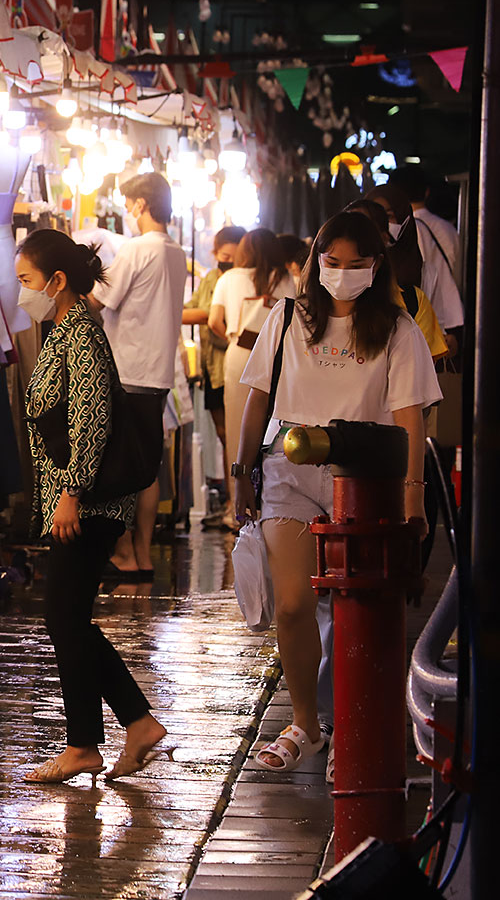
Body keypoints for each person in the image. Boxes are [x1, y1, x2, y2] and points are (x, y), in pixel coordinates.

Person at [230, 210, 440, 773]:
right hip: (289, 467)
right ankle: (305, 722)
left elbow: (410, 421)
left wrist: (413, 499)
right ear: (315, 261)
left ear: (376, 268)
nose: (343, 274)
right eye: (332, 262)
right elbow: (256, 398)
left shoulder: (398, 330)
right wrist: (240, 471)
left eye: (357, 265)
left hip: (366, 478)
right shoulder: (286, 319)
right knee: (295, 603)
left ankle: (352, 723)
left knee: (358, 610)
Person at [16, 229, 167, 783]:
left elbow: (91, 419)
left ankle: (92, 741)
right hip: (78, 498)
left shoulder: (80, 335)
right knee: (68, 618)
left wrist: (71, 493)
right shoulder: (65, 330)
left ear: (57, 282)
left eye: (28, 282)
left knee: (64, 617)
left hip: (87, 501)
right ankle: (128, 725)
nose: (22, 294)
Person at [90, 172, 188, 579]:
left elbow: (99, 300)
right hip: (158, 373)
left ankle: (125, 551)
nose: (128, 212)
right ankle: (144, 555)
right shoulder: (176, 252)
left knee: (117, 467)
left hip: (127, 371)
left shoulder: (136, 249)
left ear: (141, 205)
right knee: (146, 469)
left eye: (129, 205)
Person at [210, 227, 293, 530]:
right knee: (274, 426)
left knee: (237, 428)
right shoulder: (286, 279)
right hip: (277, 358)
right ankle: (274, 501)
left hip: (240, 356)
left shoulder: (228, 278)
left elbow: (213, 321)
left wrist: (234, 336)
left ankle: (238, 508)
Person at [182, 226, 244, 528]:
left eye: (233, 256)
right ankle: (232, 502)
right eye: (223, 256)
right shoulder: (211, 278)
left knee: (234, 436)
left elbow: (208, 316)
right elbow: (192, 309)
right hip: (212, 369)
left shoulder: (239, 281)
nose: (228, 262)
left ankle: (239, 503)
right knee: (223, 435)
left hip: (231, 368)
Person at [346, 199, 448, 359]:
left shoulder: (412, 300)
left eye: (363, 230)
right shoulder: (317, 299)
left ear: (384, 237)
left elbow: (421, 366)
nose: (351, 239)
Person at [369, 185, 462, 344]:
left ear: (404, 218)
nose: (380, 225)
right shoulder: (349, 270)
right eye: (373, 216)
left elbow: (437, 327)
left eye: (388, 216)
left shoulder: (426, 274)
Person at [389, 164, 462, 289]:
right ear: (427, 192)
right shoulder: (448, 228)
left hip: (421, 305)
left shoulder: (400, 230)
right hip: (450, 303)